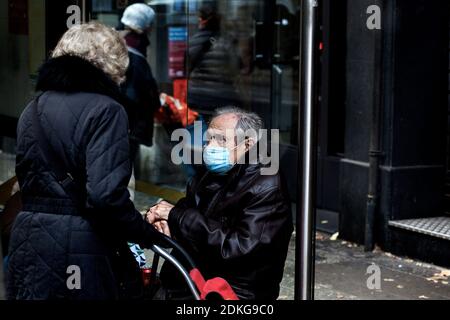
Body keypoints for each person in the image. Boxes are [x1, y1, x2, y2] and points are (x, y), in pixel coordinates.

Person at [7, 22, 161, 300]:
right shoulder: (107, 110)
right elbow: (105, 196)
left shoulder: (33, 108)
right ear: (113, 61)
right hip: (79, 245)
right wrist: (145, 232)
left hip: (27, 239)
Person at [147, 107, 293, 300]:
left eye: (221, 140)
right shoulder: (212, 174)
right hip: (192, 280)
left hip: (231, 292)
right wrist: (165, 219)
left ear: (247, 144)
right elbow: (189, 209)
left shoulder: (266, 185)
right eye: (209, 139)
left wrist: (177, 217)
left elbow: (239, 248)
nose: (210, 147)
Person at [119, 3, 160, 177]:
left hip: (124, 124)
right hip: (130, 127)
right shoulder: (134, 54)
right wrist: (154, 100)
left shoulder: (118, 45)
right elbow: (135, 94)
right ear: (146, 26)